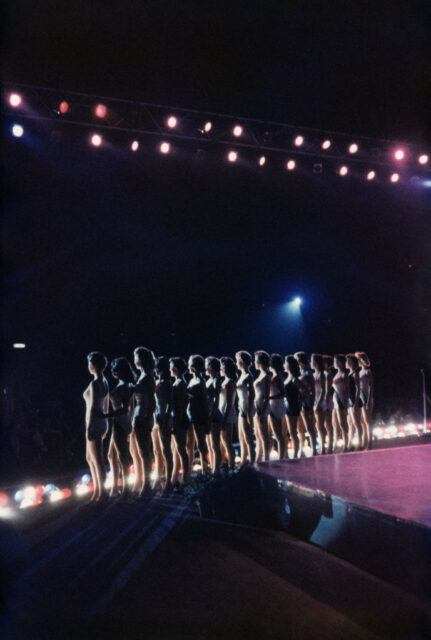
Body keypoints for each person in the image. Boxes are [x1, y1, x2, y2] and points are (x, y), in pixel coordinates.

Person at [104, 357, 134, 498]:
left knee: (122, 457)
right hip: (120, 422)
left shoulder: (124, 387)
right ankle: (115, 487)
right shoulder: (126, 385)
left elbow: (124, 409)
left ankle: (126, 489)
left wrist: (104, 416)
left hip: (120, 423)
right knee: (112, 455)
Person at [83, 352, 109, 503]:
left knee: (97, 460)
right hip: (100, 421)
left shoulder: (95, 383)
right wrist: (105, 423)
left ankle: (101, 493)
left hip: (94, 422)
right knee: (90, 458)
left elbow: (93, 407)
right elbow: (105, 405)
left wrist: (89, 428)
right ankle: (98, 491)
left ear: (93, 365)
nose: (88, 366)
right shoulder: (104, 381)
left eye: (89, 363)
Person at [131, 346, 156, 497]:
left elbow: (152, 401)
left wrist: (147, 418)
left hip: (143, 416)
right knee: (139, 452)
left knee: (144, 452)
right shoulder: (143, 376)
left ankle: (147, 486)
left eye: (136, 357)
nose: (134, 360)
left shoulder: (147, 377)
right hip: (139, 415)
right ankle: (142, 483)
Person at [152, 356, 174, 493]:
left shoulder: (167, 383)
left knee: (166, 450)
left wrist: (165, 418)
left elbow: (170, 403)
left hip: (164, 418)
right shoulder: (158, 382)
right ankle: (158, 480)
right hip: (157, 417)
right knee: (157, 451)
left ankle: (168, 481)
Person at [187, 355, 210, 474]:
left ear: (194, 366)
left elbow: (205, 402)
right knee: (192, 444)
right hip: (190, 414)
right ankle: (192, 470)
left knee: (201, 444)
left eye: (190, 363)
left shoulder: (201, 382)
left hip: (198, 415)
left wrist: (206, 420)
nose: (188, 366)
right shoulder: (191, 380)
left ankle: (205, 470)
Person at [170, 357, 189, 488]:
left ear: (175, 369)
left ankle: (185, 480)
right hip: (176, 419)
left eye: (171, 366)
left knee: (181, 450)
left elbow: (181, 406)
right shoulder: (177, 382)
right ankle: (175, 478)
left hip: (180, 419)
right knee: (177, 450)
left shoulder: (181, 383)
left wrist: (176, 423)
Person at [294, 352, 318, 455]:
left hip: (306, 402)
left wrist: (312, 405)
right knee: (300, 428)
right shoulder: (299, 372)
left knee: (309, 427)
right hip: (298, 402)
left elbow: (312, 390)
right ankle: (301, 449)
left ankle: (314, 449)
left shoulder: (308, 373)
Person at [235, 350, 255, 465]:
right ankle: (243, 461)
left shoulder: (248, 376)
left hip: (246, 406)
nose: (236, 363)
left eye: (237, 360)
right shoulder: (242, 375)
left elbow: (252, 394)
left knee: (248, 438)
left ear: (241, 362)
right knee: (241, 437)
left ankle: (252, 462)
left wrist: (248, 412)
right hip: (241, 406)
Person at [219, 356, 237, 470]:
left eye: (221, 367)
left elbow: (229, 403)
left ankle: (231, 466)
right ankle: (224, 465)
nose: (220, 369)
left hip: (227, 414)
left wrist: (224, 419)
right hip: (223, 413)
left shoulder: (229, 383)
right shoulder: (226, 381)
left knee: (227, 443)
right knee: (223, 443)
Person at [205, 356, 223, 473]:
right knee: (210, 445)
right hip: (208, 414)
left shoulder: (216, 381)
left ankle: (217, 470)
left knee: (215, 444)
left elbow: (217, 400)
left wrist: (211, 415)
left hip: (214, 415)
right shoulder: (209, 380)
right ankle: (213, 468)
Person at [253, 351, 271, 461]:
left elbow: (267, 396)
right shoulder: (261, 374)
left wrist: (262, 411)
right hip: (258, 406)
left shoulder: (266, 376)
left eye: (255, 361)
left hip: (262, 407)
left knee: (264, 434)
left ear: (260, 362)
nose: (254, 363)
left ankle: (267, 458)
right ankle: (259, 457)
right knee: (258, 434)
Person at [283, 356, 302, 458]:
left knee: (293, 432)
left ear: (289, 365)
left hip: (293, 406)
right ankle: (290, 453)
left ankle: (295, 454)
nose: (283, 365)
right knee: (289, 431)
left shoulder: (294, 378)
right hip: (287, 405)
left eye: (285, 363)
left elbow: (304, 391)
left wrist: (299, 403)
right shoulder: (288, 377)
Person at [268, 354, 286, 459]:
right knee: (275, 433)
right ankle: (280, 455)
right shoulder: (275, 376)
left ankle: (281, 457)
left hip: (276, 405)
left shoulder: (277, 377)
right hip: (274, 404)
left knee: (278, 434)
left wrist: (269, 398)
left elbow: (282, 393)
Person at [356, 351, 374, 449]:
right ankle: (364, 441)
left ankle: (369, 442)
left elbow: (371, 386)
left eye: (358, 359)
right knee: (363, 422)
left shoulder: (368, 371)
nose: (357, 361)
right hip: (361, 398)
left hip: (367, 398)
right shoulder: (360, 372)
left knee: (367, 421)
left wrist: (368, 400)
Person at [332, 354, 350, 452]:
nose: (334, 363)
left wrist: (346, 403)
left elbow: (347, 389)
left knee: (343, 423)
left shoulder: (344, 374)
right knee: (335, 424)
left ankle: (346, 445)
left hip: (341, 399)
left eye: (335, 361)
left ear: (339, 362)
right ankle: (335, 445)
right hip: (335, 399)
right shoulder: (337, 373)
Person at [346, 353, 363, 450]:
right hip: (350, 400)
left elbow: (358, 389)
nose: (346, 363)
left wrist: (356, 402)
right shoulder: (349, 374)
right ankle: (350, 444)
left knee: (357, 423)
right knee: (350, 424)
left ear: (351, 362)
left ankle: (359, 444)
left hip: (354, 400)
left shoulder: (355, 374)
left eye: (347, 361)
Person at [311, 354, 327, 454]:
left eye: (311, 361)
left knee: (320, 426)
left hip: (320, 402)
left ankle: (323, 447)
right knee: (317, 426)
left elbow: (323, 390)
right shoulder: (314, 374)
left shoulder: (321, 374)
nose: (310, 363)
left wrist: (318, 403)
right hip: (315, 401)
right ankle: (320, 445)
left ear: (315, 363)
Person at [322, 355, 335, 453]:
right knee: (326, 424)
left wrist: (325, 402)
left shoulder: (328, 374)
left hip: (327, 400)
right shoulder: (325, 374)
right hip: (325, 400)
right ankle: (328, 445)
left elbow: (328, 389)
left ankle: (330, 446)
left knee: (328, 424)